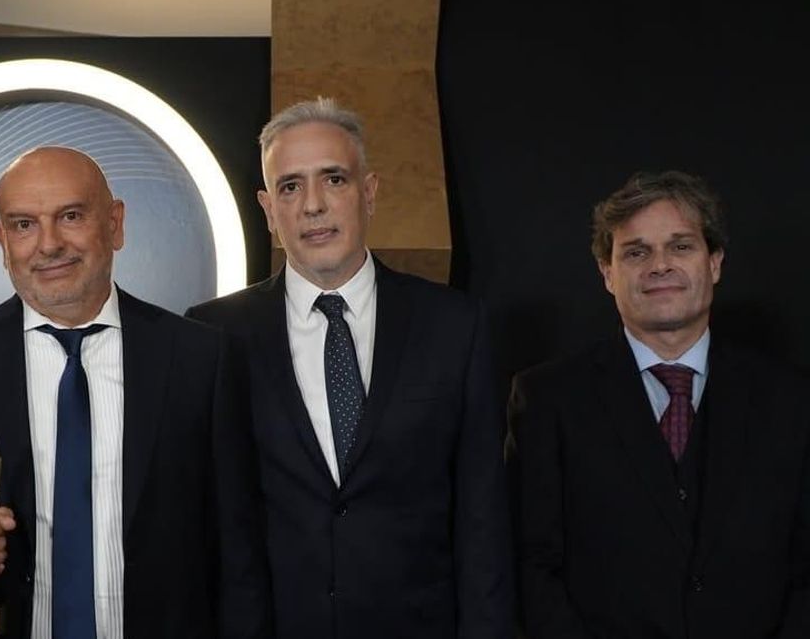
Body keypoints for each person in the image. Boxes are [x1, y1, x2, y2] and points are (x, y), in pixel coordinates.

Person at [0, 147, 270, 639]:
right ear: (2, 241)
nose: (49, 244)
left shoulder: (200, 359)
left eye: (71, 216)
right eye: (24, 225)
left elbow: (241, 552)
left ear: (115, 223)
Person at [187, 98, 512, 638]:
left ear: (369, 192)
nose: (312, 205)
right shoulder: (214, 335)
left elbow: (484, 519)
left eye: (333, 179)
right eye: (290, 186)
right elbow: (204, 522)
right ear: (269, 210)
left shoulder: (455, 324)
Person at [507, 171, 810, 638]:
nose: (660, 265)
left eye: (681, 246)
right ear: (607, 273)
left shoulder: (790, 400)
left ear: (715, 263)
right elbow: (531, 564)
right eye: (636, 251)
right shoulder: (547, 399)